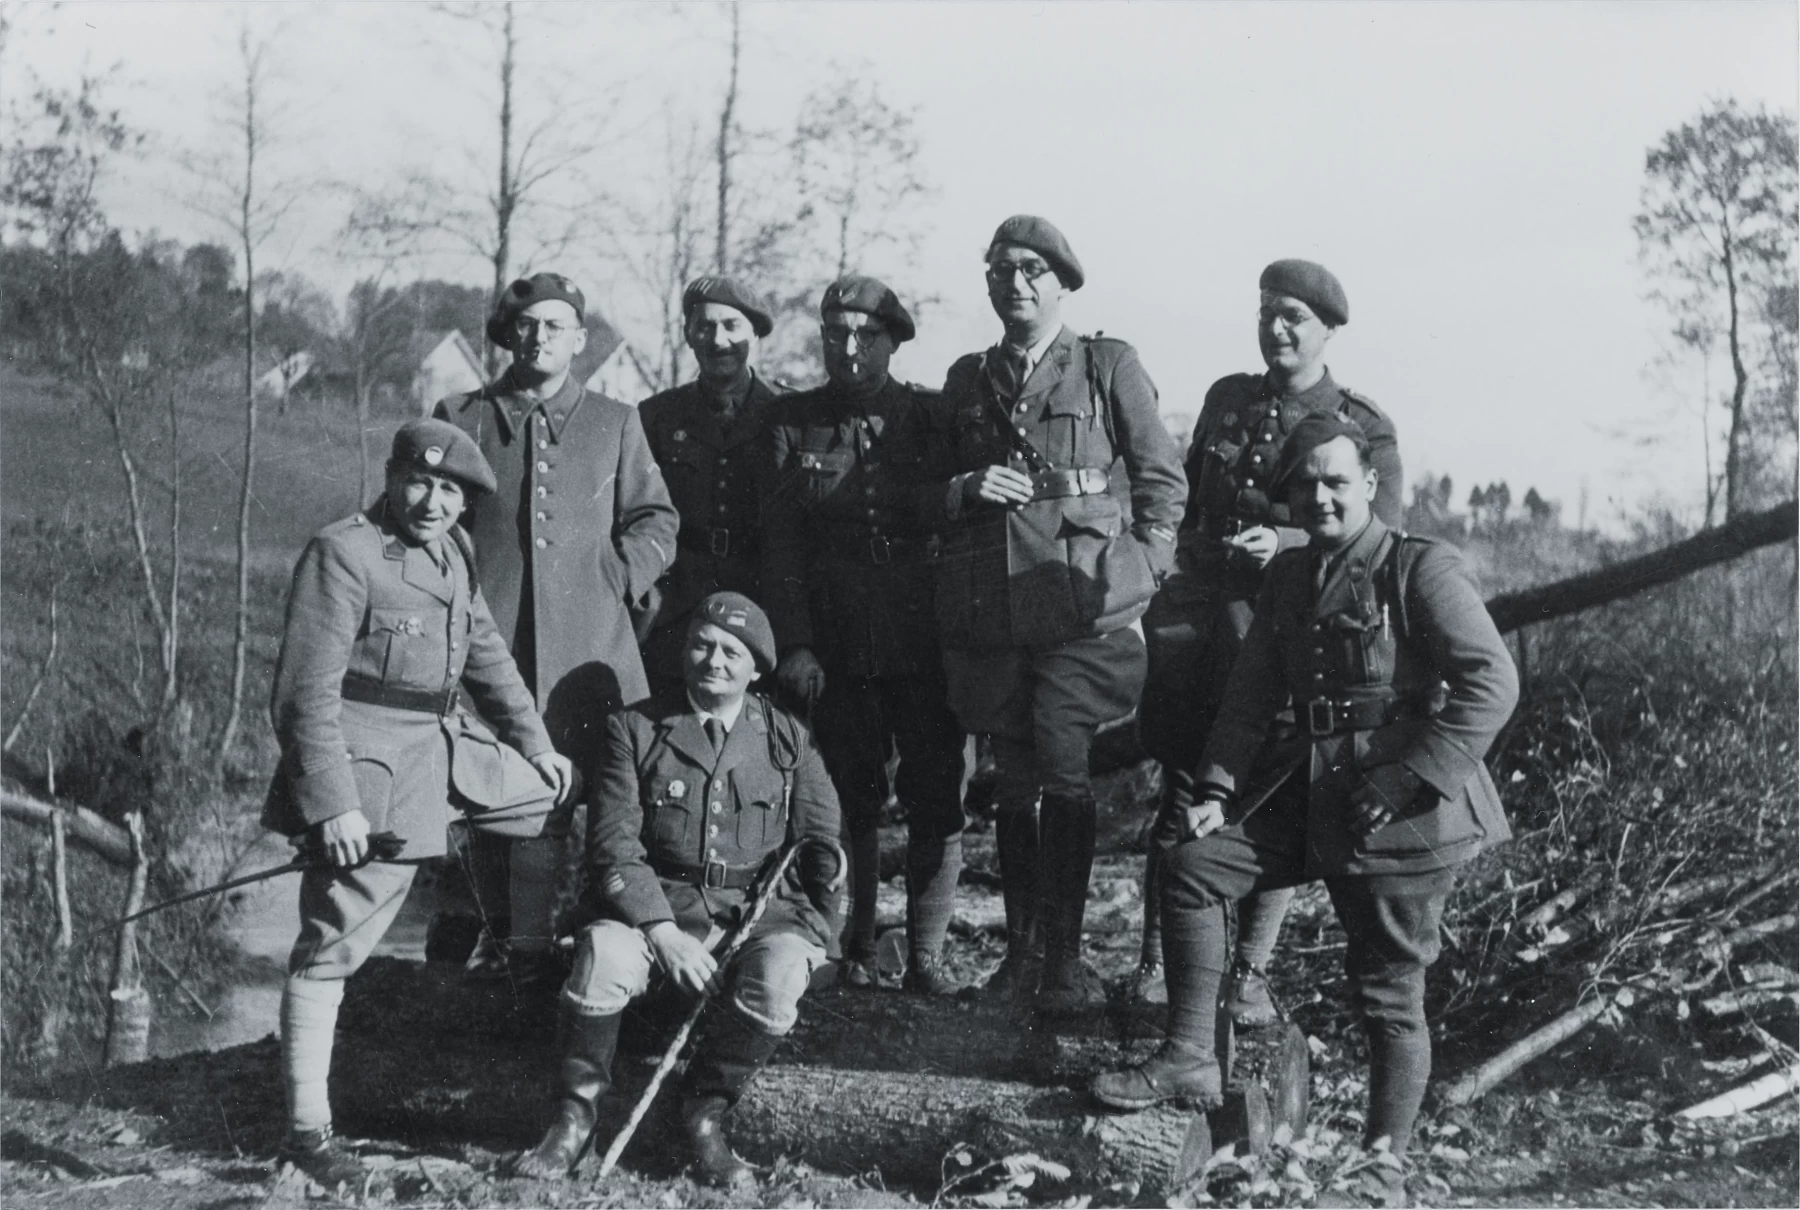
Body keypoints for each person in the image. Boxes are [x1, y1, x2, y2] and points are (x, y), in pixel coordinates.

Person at [1094, 415, 1518, 1207]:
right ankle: (1189, 1053)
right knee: (1192, 864)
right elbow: (1252, 695)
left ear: (1368, 484)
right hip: (1314, 789)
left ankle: (1381, 1168)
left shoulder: (1418, 568)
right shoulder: (1289, 578)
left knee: (1390, 990)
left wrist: (1408, 779)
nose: (1321, 497)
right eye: (1306, 485)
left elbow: (1492, 683)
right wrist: (1216, 789)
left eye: (1336, 481)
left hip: (1408, 808)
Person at [263, 419, 577, 1188]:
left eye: (452, 491)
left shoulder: (453, 550)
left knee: (547, 801)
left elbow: (485, 653)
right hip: (366, 758)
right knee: (334, 940)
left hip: (443, 742)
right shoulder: (345, 551)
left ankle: (521, 957)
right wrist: (333, 805)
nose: (434, 502)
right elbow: (303, 695)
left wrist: (535, 742)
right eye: (421, 482)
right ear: (392, 474)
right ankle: (309, 1129)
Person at [927, 216, 1187, 1015]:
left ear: (1064, 282)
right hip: (994, 612)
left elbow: (1161, 488)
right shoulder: (968, 377)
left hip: (1080, 606)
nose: (1017, 283)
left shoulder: (1106, 364)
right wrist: (968, 489)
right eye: (1002, 270)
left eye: (1034, 270)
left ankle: (1065, 962)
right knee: (1010, 780)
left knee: (1065, 766)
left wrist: (1134, 574)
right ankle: (1022, 956)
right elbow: (928, 495)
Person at [1135, 259, 1405, 1022]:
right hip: (1198, 631)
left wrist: (1287, 538)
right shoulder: (1227, 399)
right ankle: (1157, 965)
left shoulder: (1362, 422)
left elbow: (1382, 538)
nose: (1275, 329)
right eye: (1265, 313)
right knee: (1184, 787)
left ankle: (1247, 973)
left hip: (1291, 633)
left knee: (1271, 795)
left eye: (1292, 317)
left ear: (1326, 330)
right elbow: (1183, 502)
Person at [511, 592, 843, 1192]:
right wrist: (659, 931)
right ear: (684, 651)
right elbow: (613, 848)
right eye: (702, 644)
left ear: (756, 668)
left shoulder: (788, 740)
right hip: (652, 913)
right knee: (603, 960)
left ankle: (703, 1117)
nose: (714, 660)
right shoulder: (634, 729)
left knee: (782, 973)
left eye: (732, 653)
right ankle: (572, 1121)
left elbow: (822, 848)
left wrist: (825, 935)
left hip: (755, 920)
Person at [434, 272, 679, 981]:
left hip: (588, 659)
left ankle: (570, 953)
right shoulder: (464, 413)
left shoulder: (615, 420)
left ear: (578, 339)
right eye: (527, 324)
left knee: (587, 806)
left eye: (555, 326)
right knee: (487, 800)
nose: (539, 337)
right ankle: (493, 950)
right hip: (490, 652)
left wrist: (619, 577)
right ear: (509, 334)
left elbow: (656, 518)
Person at [762, 276, 967, 993]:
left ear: (894, 341)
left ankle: (929, 953)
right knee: (849, 793)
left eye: (866, 336)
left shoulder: (930, 417)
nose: (849, 349)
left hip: (922, 635)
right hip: (838, 639)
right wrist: (795, 642)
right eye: (835, 335)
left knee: (937, 791)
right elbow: (782, 546)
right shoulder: (793, 422)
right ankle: (853, 942)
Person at [639, 276, 786, 696]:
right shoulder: (656, 417)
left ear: (754, 334)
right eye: (704, 327)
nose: (718, 340)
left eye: (731, 326)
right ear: (688, 334)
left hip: (761, 602)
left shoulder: (786, 414)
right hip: (678, 606)